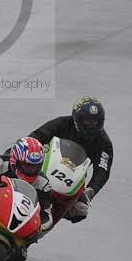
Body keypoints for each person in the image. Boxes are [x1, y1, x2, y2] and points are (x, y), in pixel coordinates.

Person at [28, 96, 113, 224]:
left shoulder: (104, 143)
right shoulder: (61, 123)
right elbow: (36, 136)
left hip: (72, 180)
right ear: (77, 119)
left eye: (96, 122)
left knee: (80, 211)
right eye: (87, 121)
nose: (91, 125)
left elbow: (102, 171)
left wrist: (90, 191)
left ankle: (53, 216)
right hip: (45, 168)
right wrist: (15, 152)